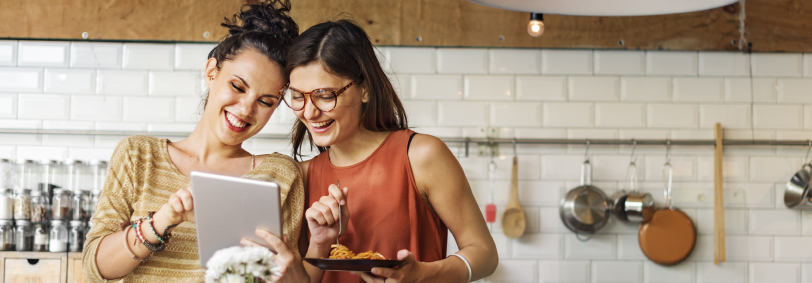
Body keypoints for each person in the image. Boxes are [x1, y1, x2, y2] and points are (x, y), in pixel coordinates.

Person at [82, 1, 310, 282]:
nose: (246, 109)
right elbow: (95, 267)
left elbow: (286, 273)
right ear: (212, 71)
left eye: (266, 101)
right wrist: (161, 221)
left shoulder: (281, 175)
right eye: (237, 86)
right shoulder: (138, 156)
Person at [283, 20, 499, 283]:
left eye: (325, 95)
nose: (309, 112)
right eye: (297, 96)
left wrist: (421, 274)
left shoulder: (421, 155)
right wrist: (320, 245)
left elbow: (485, 255)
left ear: (364, 89)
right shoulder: (302, 176)